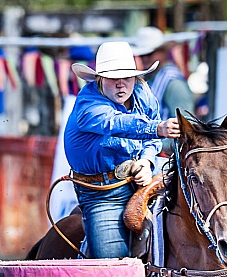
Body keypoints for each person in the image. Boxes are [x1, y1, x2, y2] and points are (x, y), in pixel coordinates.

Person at [64, 40, 180, 260]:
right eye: (113, 78)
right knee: (114, 266)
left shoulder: (143, 95)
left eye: (127, 77)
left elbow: (150, 143)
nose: (121, 84)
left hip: (141, 180)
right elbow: (115, 123)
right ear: (99, 79)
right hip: (103, 193)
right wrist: (156, 128)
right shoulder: (88, 104)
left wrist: (146, 162)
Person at [133, 26, 195, 158]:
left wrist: (158, 147)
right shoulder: (151, 78)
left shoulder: (173, 83)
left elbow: (186, 127)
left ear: (162, 52)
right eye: (142, 55)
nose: (144, 59)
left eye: (149, 54)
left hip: (165, 158)